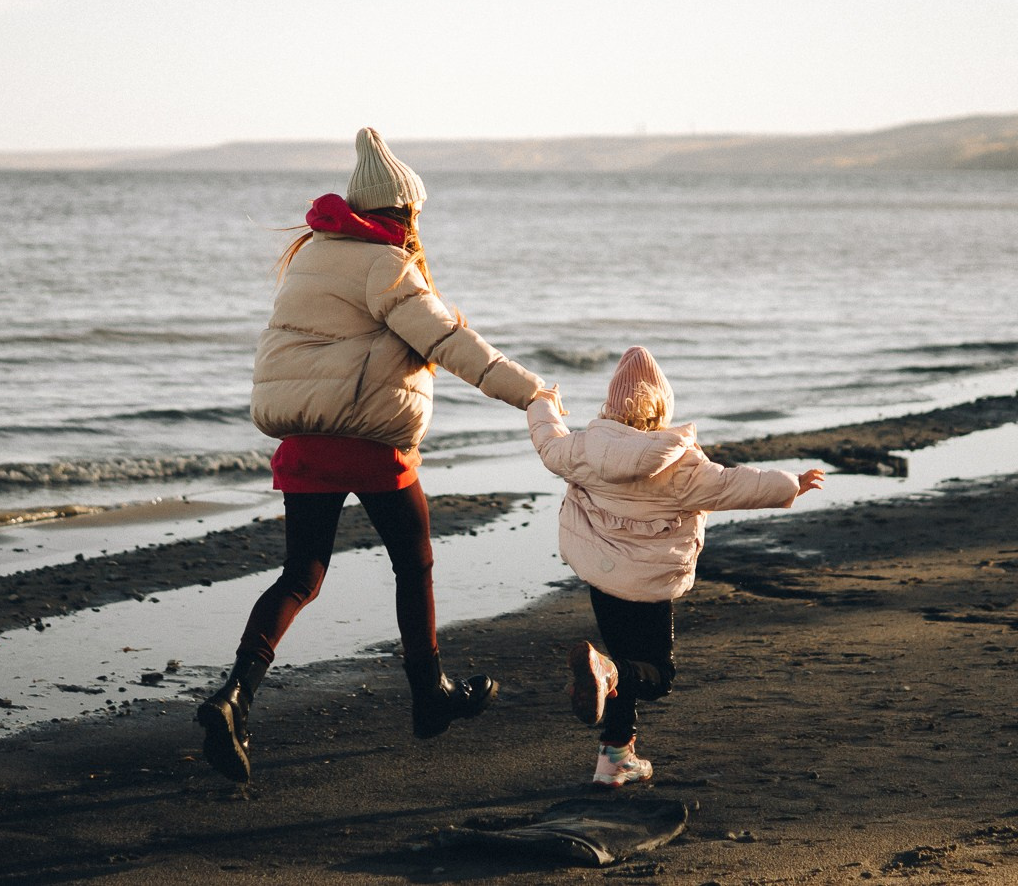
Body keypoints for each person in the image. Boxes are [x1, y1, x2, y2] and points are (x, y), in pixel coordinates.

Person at [197, 128, 554, 782]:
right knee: (413, 562)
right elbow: (449, 342)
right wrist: (532, 392)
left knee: (300, 575)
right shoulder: (386, 263)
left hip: (304, 440)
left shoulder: (312, 255)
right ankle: (429, 694)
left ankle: (234, 696)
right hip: (367, 442)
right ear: (404, 209)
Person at [526, 345, 825, 787]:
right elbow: (731, 485)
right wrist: (790, 484)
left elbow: (548, 441)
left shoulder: (584, 449)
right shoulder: (680, 464)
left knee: (620, 661)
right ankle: (608, 679)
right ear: (661, 408)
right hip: (649, 583)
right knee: (656, 676)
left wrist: (541, 400)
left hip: (602, 576)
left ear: (611, 405)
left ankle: (614, 759)